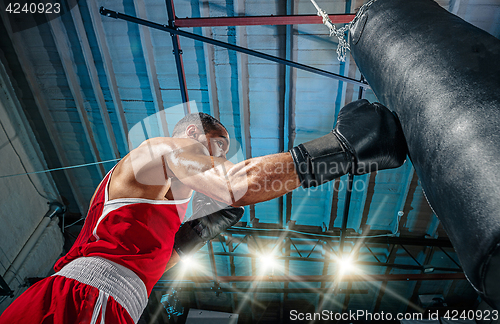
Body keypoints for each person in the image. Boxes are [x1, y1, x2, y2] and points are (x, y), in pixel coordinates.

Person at [0, 99, 407, 323]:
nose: (219, 159)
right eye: (219, 149)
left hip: (81, 298)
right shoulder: (168, 148)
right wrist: (346, 148)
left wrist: (183, 244)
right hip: (86, 301)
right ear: (193, 132)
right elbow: (235, 185)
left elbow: (131, 252)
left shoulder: (156, 195)